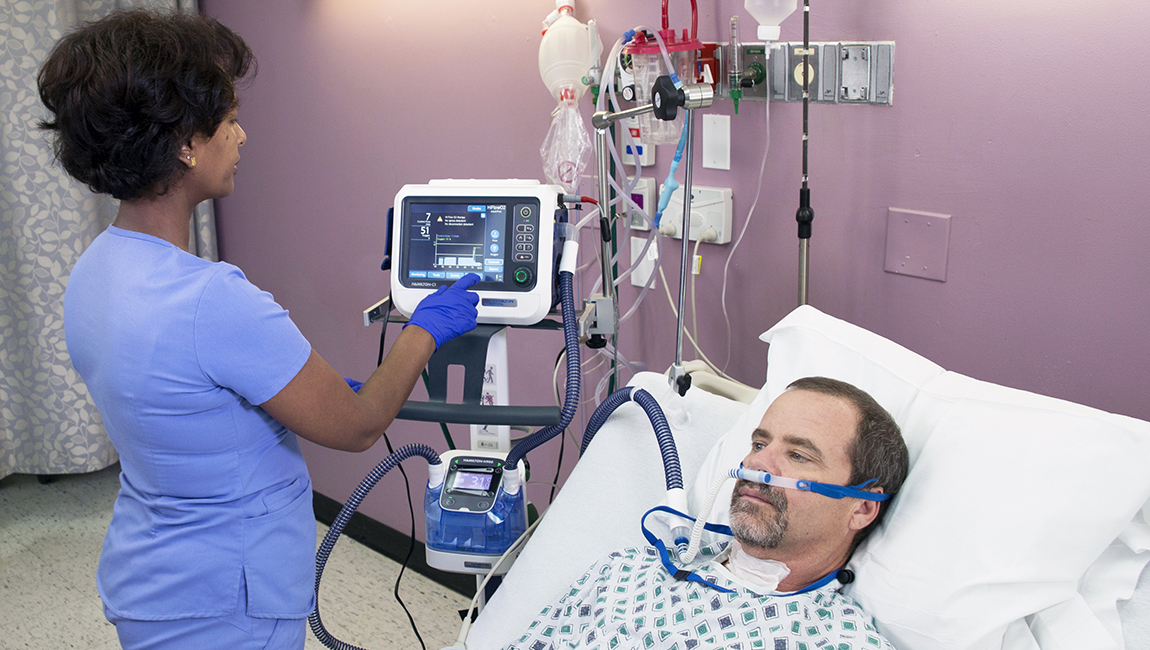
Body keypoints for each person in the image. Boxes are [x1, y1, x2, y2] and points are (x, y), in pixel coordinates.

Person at [39, 9, 479, 649]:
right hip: (228, 600)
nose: (242, 137)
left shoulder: (94, 270)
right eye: (229, 119)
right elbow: (359, 427)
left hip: (149, 580)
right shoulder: (213, 299)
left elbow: (174, 399)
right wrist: (425, 329)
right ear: (186, 143)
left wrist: (285, 397)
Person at [506, 376, 910, 649]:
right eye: (759, 445)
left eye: (798, 455)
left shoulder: (841, 641)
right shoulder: (624, 574)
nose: (757, 464)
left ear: (862, 507)